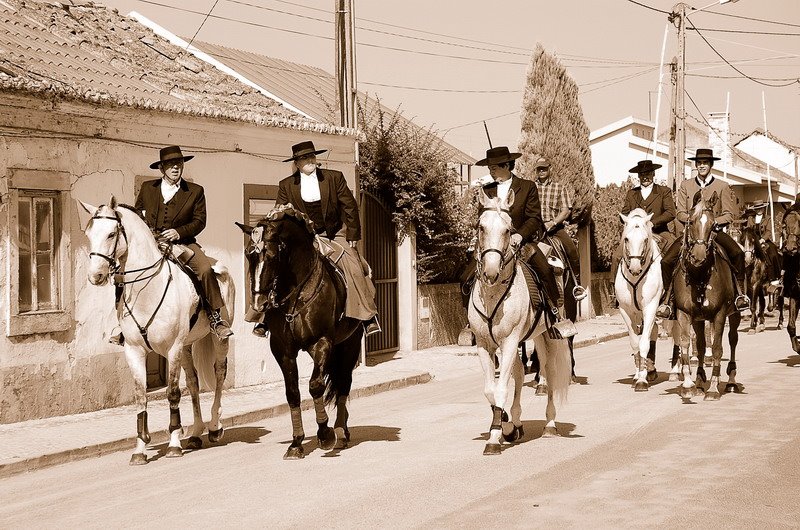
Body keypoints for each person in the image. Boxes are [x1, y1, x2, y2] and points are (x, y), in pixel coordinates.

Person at [249, 141, 380, 337]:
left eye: (311, 156)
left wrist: (353, 234)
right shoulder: (286, 185)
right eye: (304, 158)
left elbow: (350, 206)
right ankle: (264, 319)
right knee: (272, 264)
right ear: (297, 163)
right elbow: (280, 212)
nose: (309, 160)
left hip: (334, 234)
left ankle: (368, 316)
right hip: (304, 238)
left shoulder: (334, 178)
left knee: (353, 266)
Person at [111, 145, 233, 343]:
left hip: (183, 244)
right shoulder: (147, 188)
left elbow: (199, 221)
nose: (175, 167)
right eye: (170, 164)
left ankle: (215, 317)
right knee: (120, 272)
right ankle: (120, 322)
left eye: (179, 163)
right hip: (151, 243)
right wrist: (149, 235)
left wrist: (178, 232)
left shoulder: (195, 191)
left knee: (205, 270)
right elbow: (138, 215)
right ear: (161, 168)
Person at [464, 146, 561, 313]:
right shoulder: (486, 190)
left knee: (545, 270)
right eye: (489, 168)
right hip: (491, 244)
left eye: (494, 168)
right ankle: (469, 322)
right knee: (464, 277)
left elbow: (534, 218)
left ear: (507, 166)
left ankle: (555, 313)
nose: (491, 171)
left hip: (521, 242)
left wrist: (520, 235)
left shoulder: (527, 186)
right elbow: (482, 219)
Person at [656, 148, 749, 319]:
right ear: (696, 165)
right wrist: (693, 220)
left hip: (714, 232)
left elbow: (729, 214)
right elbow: (679, 212)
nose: (702, 166)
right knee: (666, 261)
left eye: (705, 163)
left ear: (711, 165)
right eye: (699, 163)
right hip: (691, 233)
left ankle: (740, 294)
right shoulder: (686, 185)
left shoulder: (722, 186)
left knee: (737, 253)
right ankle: (667, 300)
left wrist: (713, 222)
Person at [610, 159, 676, 280]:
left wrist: (652, 223)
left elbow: (671, 212)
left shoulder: (663, 191)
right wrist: (632, 221)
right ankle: (613, 293)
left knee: (672, 251)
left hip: (659, 231)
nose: (645, 177)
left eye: (648, 173)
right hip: (635, 233)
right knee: (616, 257)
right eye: (642, 174)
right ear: (639, 176)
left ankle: (671, 288)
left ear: (653, 174)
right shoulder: (632, 193)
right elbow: (624, 213)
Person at [534, 157, 587, 301]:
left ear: (550, 169)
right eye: (539, 168)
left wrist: (553, 222)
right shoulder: (532, 187)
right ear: (536, 170)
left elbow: (566, 210)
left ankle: (577, 286)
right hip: (535, 229)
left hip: (555, 229)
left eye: (544, 168)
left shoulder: (559, 188)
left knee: (572, 251)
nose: (542, 171)